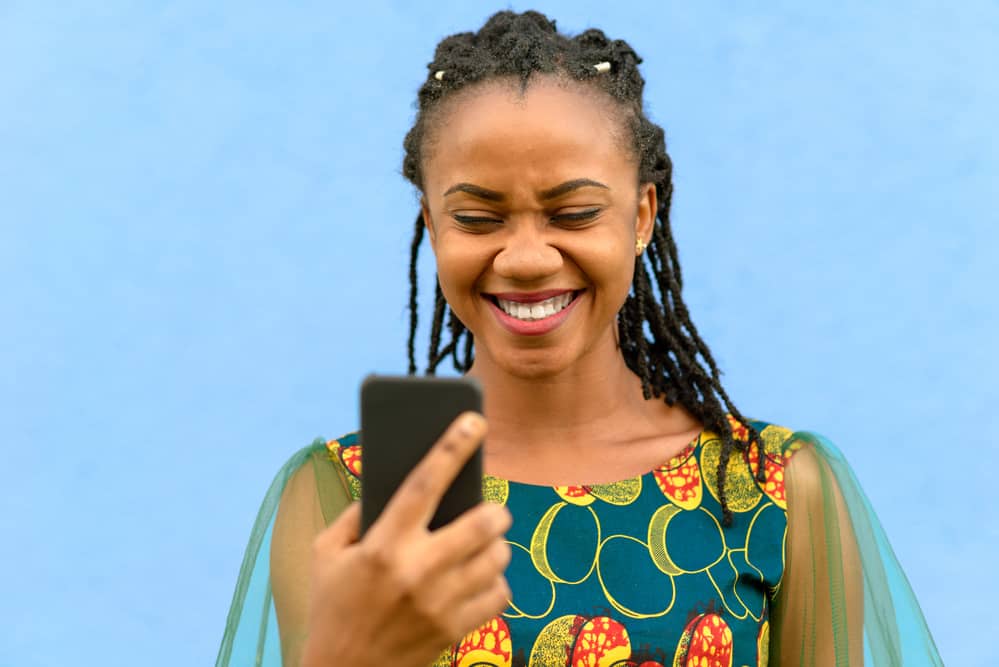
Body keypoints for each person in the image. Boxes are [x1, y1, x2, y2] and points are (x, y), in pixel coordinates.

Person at [215, 11, 942, 667]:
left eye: (572, 212)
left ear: (640, 214)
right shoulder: (355, 494)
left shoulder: (772, 491)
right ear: (432, 226)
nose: (526, 258)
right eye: (477, 217)